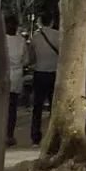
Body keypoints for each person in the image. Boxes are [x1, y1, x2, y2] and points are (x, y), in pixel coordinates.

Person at [29, 8, 60, 144]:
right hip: (54, 73)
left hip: (39, 72)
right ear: (52, 22)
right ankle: (53, 135)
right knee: (55, 107)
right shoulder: (59, 36)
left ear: (40, 22)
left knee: (38, 106)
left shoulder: (35, 37)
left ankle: (35, 136)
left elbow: (31, 57)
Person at [4, 11, 28, 148]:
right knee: (12, 108)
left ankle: (1, 132)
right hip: (17, 75)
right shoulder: (21, 41)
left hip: (4, 75)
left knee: (2, 107)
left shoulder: (0, 39)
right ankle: (9, 134)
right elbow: (26, 60)